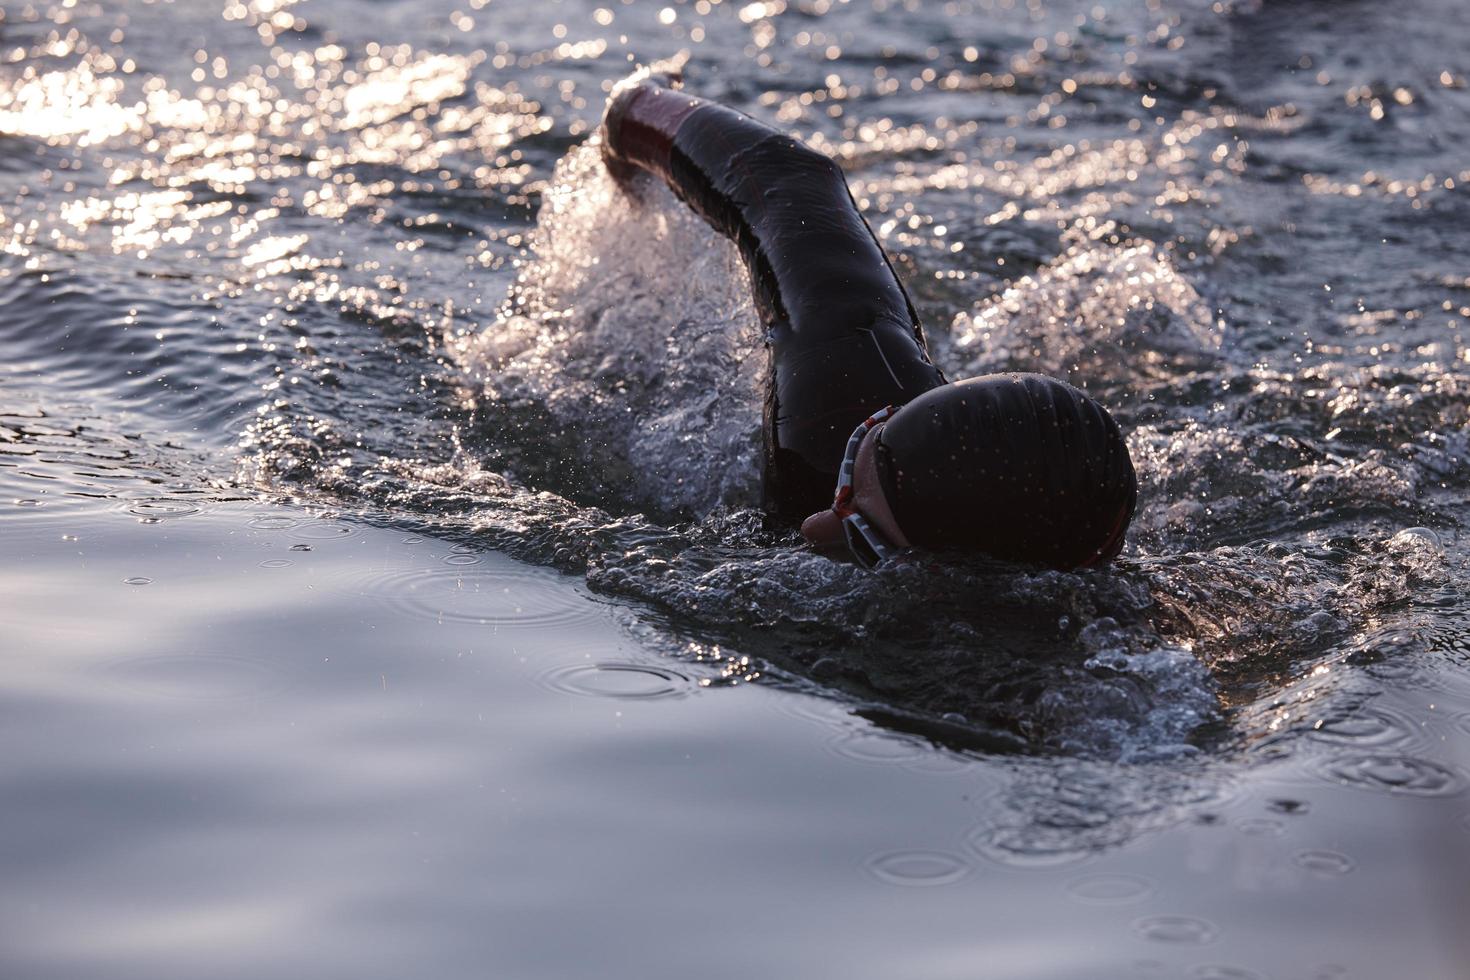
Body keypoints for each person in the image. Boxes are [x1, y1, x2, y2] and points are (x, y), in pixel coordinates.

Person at [599, 69, 1136, 570]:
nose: (814, 527)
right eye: (851, 468)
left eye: (867, 539)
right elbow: (784, 180)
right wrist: (635, 112)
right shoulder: (838, 395)